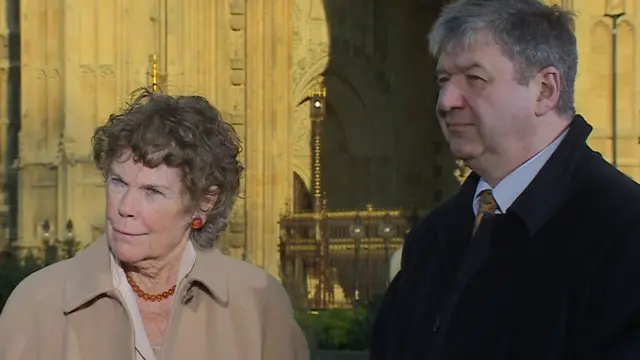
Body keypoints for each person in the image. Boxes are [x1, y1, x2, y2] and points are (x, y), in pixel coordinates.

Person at [370, 0, 640, 359]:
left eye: (475, 79)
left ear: (545, 89)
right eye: (443, 80)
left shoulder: (623, 231)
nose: (446, 101)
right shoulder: (434, 236)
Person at [0, 89, 309, 360]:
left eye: (152, 192)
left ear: (204, 202)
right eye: (118, 182)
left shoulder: (259, 306)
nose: (125, 208)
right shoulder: (37, 304)